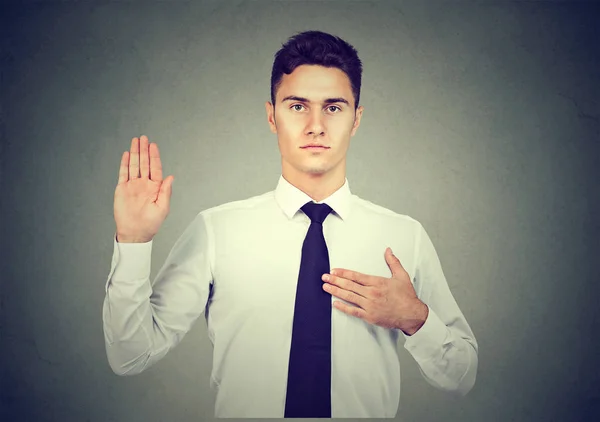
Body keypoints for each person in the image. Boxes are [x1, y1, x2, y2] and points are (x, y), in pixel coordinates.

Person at [103, 30, 478, 418]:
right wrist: (133, 242)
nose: (316, 125)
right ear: (272, 116)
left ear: (356, 119)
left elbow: (461, 375)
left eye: (334, 107)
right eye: (297, 106)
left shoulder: (405, 237)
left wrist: (415, 318)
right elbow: (130, 356)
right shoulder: (216, 231)